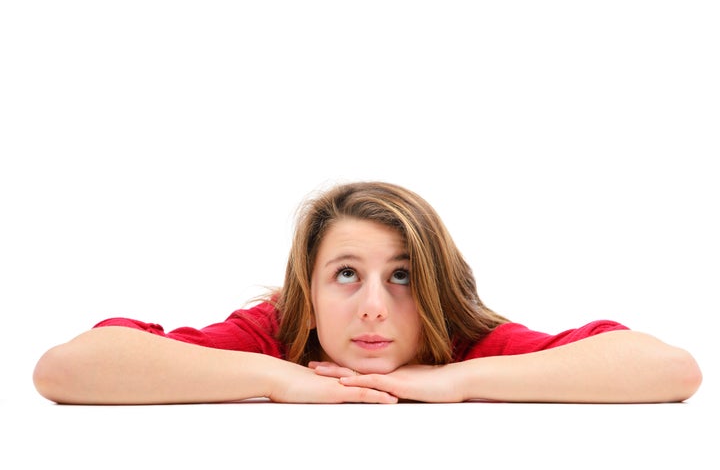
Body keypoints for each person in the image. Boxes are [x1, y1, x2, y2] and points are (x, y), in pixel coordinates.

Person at [33, 181, 702, 405]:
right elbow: (65, 369)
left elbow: (672, 370)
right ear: (311, 292)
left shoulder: (462, 340)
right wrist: (282, 380)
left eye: (402, 274)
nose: (374, 307)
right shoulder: (282, 330)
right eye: (346, 273)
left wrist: (456, 381)